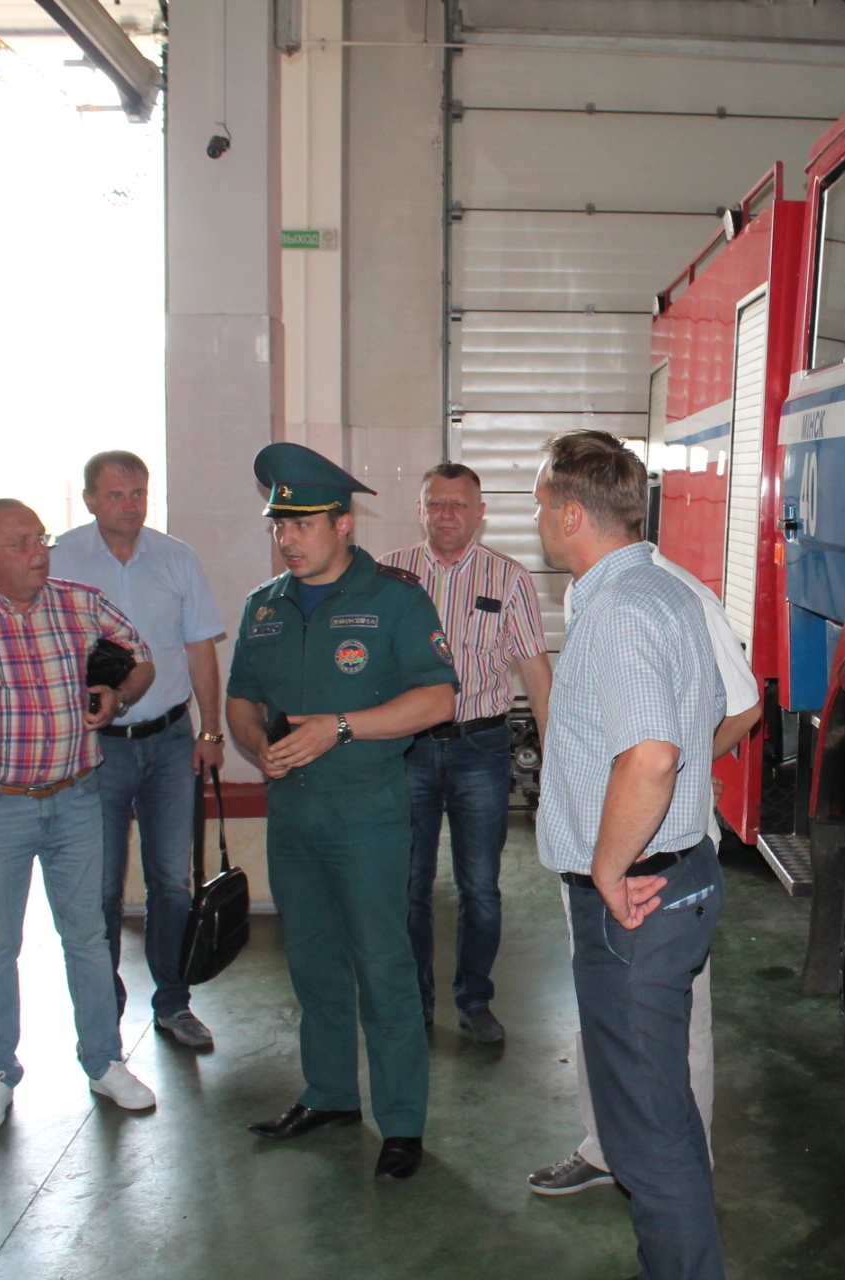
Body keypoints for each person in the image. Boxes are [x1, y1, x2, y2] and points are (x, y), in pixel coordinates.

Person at [225, 442, 459, 1181]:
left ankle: (402, 1122)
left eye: (302, 525)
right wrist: (256, 744)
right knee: (313, 963)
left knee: (383, 967)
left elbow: (438, 699)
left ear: (343, 524)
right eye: (279, 526)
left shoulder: (395, 600)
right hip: (292, 815)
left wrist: (343, 727)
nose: (287, 540)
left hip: (366, 816)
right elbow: (241, 700)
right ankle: (328, 1094)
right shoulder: (264, 606)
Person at [0, 498, 161, 1134]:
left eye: (40, 538)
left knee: (88, 939)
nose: (38, 551)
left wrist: (118, 694)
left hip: (76, 800)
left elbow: (143, 657)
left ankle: (104, 1061)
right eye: (21, 542)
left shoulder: (79, 603)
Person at [531, 430, 728, 1280]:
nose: (539, 522)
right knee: (658, 1112)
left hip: (636, 899)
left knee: (647, 1134)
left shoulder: (617, 610)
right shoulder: (666, 591)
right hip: (679, 877)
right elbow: (704, 717)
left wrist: (608, 867)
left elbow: (651, 756)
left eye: (543, 506)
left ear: (573, 514)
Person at [529, 546, 761, 1195]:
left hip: (658, 857)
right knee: (600, 1005)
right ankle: (607, 1146)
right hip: (598, 850)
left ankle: (684, 1168)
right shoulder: (586, 592)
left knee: (677, 1023)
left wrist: (674, 779)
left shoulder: (671, 593)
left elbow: (744, 707)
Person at [50, 450, 228, 1049]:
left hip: (171, 743)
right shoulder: (60, 561)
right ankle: (104, 1009)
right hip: (94, 747)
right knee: (100, 888)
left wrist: (210, 731)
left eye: (139, 494)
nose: (130, 505)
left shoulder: (176, 558)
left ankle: (173, 1003)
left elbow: (200, 648)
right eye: (116, 495)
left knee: (171, 883)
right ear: (90, 500)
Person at [382, 462, 551, 1042]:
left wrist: (554, 758)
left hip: (481, 748)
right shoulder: (390, 576)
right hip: (407, 750)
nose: (447, 515)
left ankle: (475, 999)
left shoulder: (508, 578)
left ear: (479, 513)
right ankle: (415, 1000)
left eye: (459, 505)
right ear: (420, 510)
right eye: (436, 503)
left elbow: (536, 671)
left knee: (480, 886)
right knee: (409, 885)